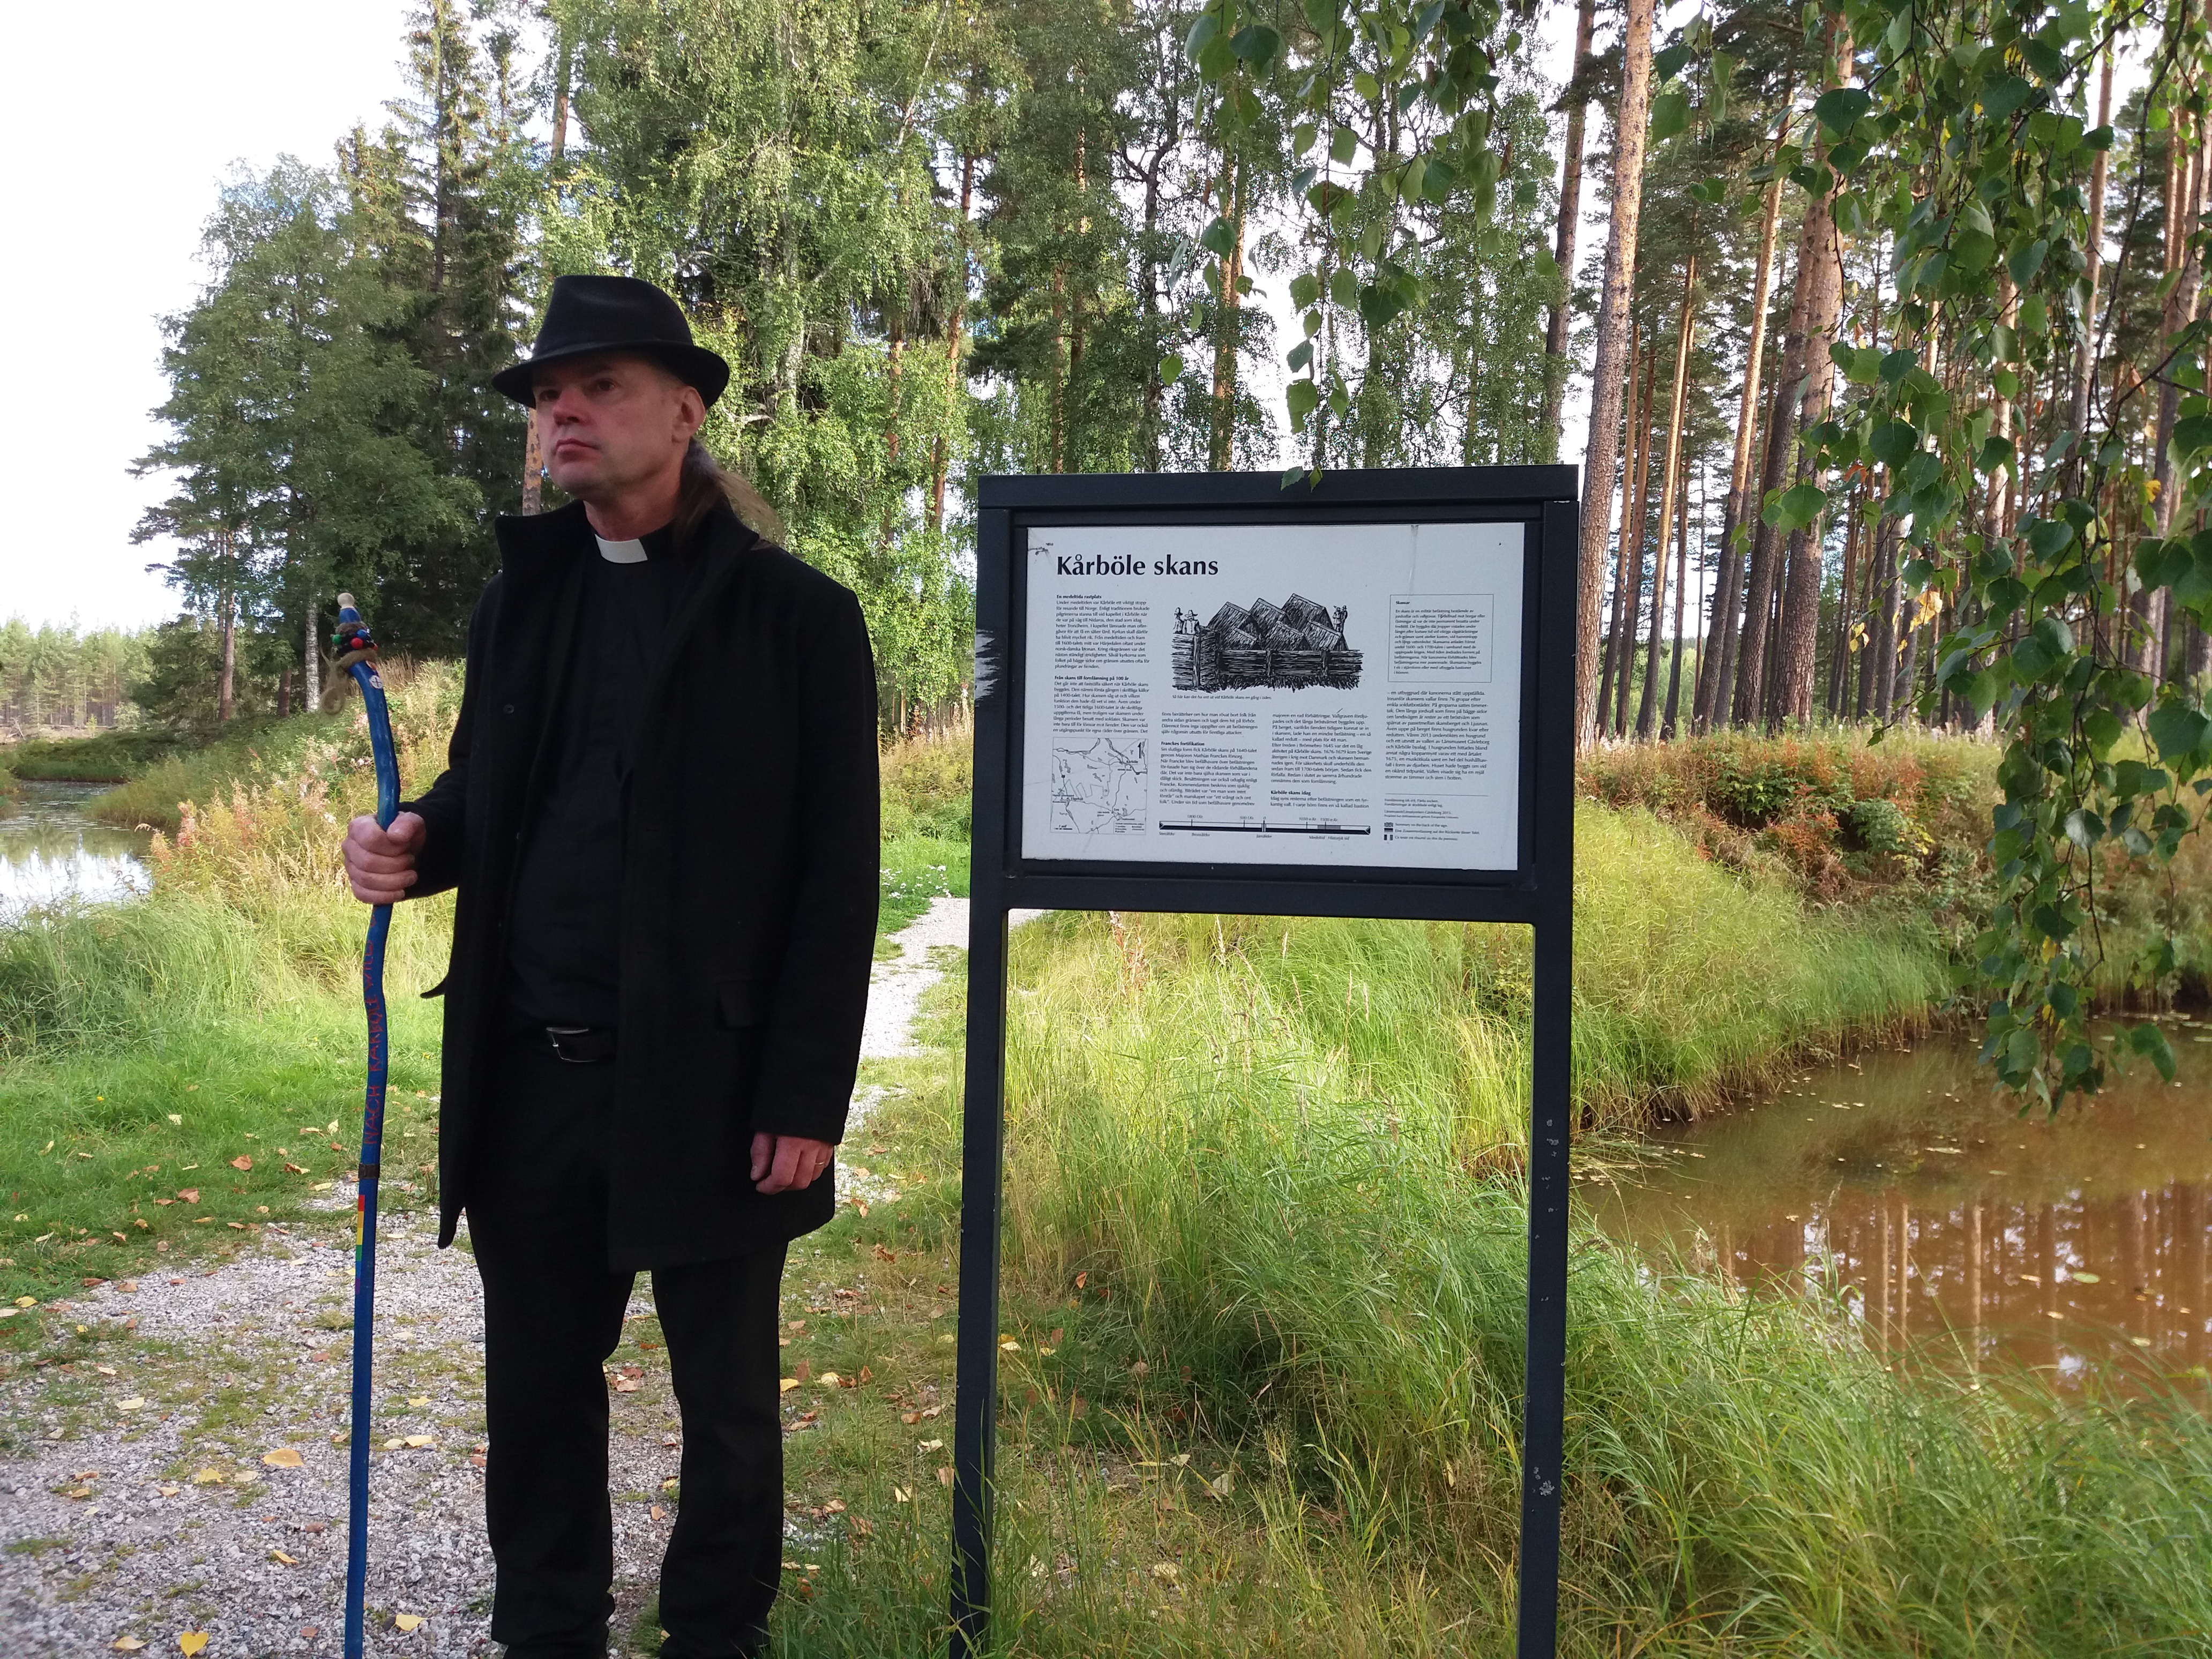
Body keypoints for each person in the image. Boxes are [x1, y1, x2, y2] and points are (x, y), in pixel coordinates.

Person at [342, 273, 879, 1659]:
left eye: (599, 389)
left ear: (686, 413)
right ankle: (547, 1630)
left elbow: (837, 877)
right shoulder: (519, 602)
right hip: (529, 1074)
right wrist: (415, 840)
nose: (561, 414)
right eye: (545, 396)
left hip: (712, 1081)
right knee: (535, 1391)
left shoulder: (797, 620)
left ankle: (713, 1633)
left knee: (727, 1403)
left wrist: (807, 1093)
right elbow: (493, 788)